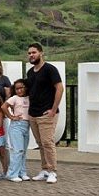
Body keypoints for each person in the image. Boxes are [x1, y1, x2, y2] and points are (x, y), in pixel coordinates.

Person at [27, 43, 64, 184]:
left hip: (46, 113)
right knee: (40, 143)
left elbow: (59, 88)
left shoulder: (50, 69)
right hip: (33, 113)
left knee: (48, 142)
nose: (31, 55)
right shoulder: (30, 72)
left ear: (41, 53)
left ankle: (52, 171)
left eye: (34, 52)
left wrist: (54, 109)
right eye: (29, 53)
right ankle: (45, 169)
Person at [2, 79, 31, 182]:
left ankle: (22, 172)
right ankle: (12, 173)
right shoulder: (14, 98)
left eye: (21, 88)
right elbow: (4, 106)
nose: (19, 90)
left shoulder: (29, 98)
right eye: (17, 88)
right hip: (16, 126)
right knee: (17, 150)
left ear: (26, 87)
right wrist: (11, 116)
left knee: (23, 151)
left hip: (26, 125)